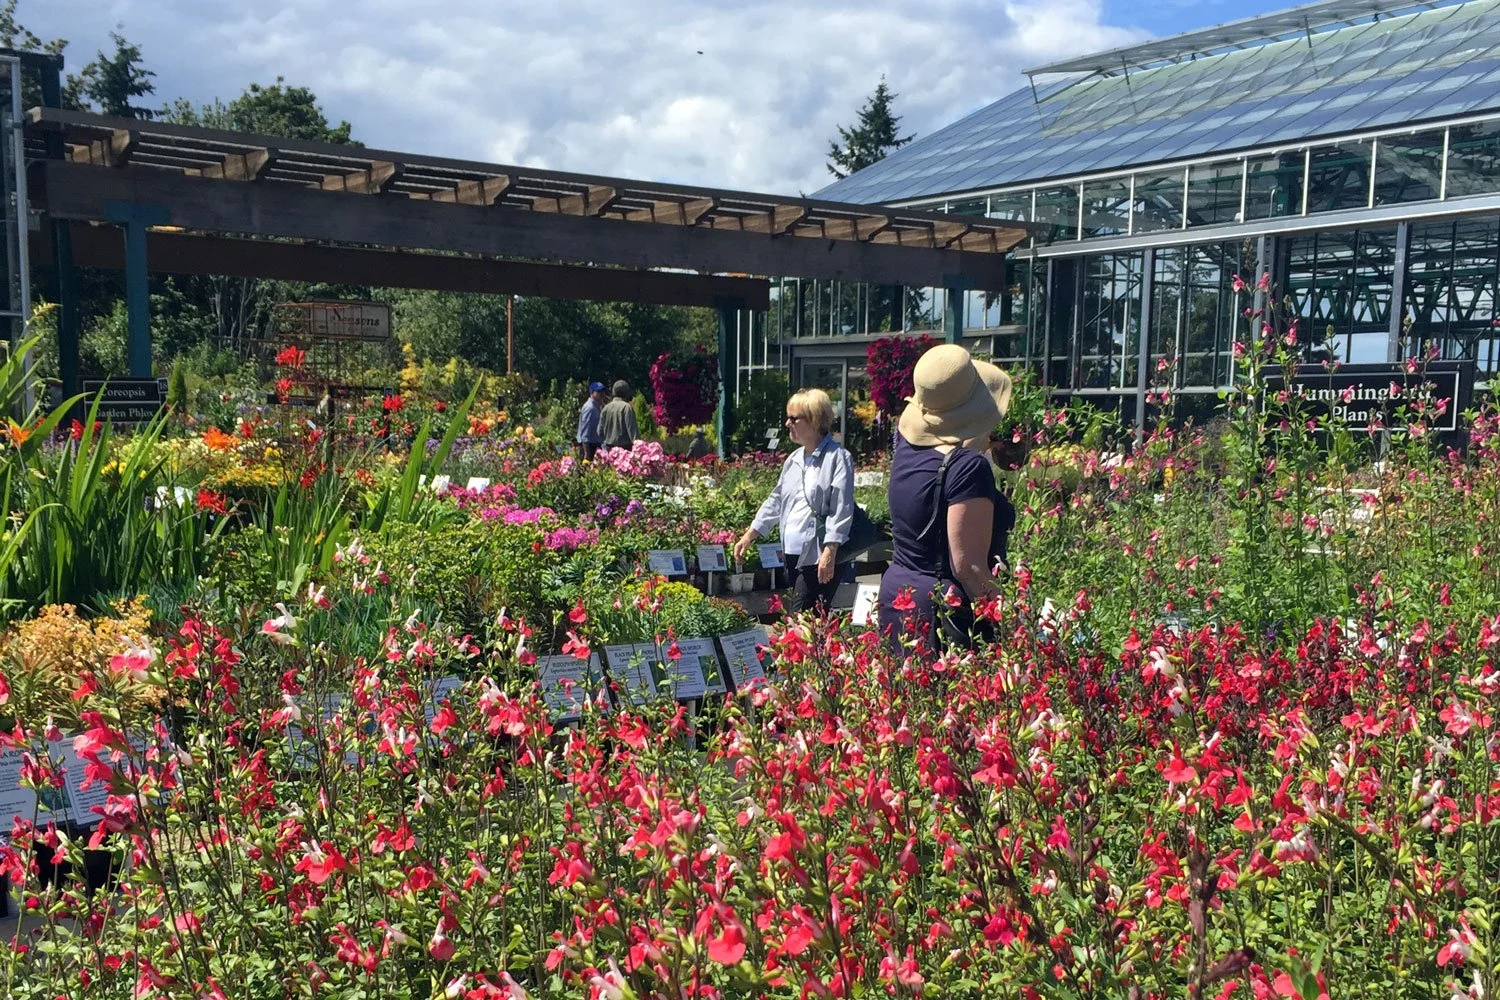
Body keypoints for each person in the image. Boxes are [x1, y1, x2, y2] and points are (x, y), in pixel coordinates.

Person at [878, 344, 1015, 652]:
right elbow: (968, 567)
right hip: (945, 613)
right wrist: (1014, 625)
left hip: (899, 595)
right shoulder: (969, 467)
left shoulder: (906, 448)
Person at [734, 388, 855, 614]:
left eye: (793, 418)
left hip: (818, 555)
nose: (787, 423)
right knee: (810, 621)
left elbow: (841, 508)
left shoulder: (837, 458)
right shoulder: (794, 459)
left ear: (814, 420)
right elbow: (777, 499)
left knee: (802, 618)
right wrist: (750, 534)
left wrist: (830, 550)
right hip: (792, 553)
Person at [599, 380, 639, 452]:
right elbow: (632, 432)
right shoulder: (626, 407)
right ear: (626, 393)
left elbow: (599, 431)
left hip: (609, 448)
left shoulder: (606, 408)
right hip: (624, 450)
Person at [576, 381, 606, 460]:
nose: (601, 394)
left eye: (602, 392)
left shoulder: (596, 406)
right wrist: (586, 452)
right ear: (592, 392)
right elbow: (585, 430)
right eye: (598, 392)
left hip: (594, 445)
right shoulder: (590, 408)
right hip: (589, 446)